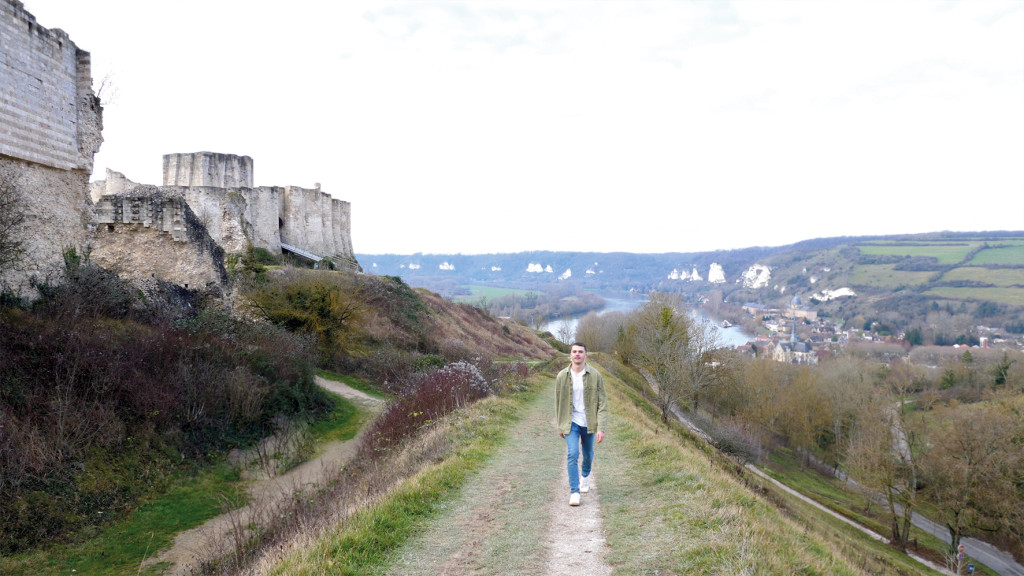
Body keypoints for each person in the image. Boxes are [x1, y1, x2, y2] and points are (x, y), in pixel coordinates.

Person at [555, 342, 609, 506]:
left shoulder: (595, 375)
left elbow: (603, 403)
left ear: (586, 355)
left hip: (589, 422)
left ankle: (585, 476)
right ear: (570, 354)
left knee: (588, 455)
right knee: (572, 454)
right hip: (571, 422)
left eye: (580, 352)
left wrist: (601, 428)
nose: (577, 354)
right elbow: (558, 402)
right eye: (574, 351)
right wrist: (560, 424)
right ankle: (574, 492)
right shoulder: (562, 376)